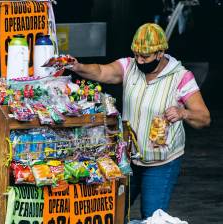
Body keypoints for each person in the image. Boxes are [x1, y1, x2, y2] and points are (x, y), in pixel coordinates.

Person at [69, 23, 211, 220]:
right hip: (128, 159)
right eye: (136, 55)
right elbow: (101, 72)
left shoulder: (181, 77)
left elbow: (204, 117)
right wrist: (77, 66)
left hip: (162, 162)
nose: (140, 61)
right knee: (114, 211)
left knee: (152, 217)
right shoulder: (129, 67)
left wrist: (183, 113)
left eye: (145, 57)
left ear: (160, 53)